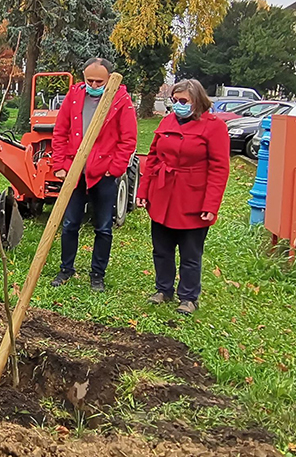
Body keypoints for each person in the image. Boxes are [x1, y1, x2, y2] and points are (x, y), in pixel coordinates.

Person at [136, 78, 230, 315]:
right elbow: (154, 157)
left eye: (183, 101)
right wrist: (143, 191)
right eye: (175, 100)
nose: (178, 105)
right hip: (163, 192)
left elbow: (220, 168)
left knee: (190, 252)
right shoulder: (168, 121)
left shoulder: (214, 126)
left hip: (193, 197)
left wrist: (211, 204)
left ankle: (188, 297)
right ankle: (163, 289)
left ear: (197, 101)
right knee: (162, 249)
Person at [50, 57, 138, 292]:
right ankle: (66, 269)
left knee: (103, 227)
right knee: (69, 224)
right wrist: (60, 164)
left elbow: (128, 139)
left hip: (104, 174)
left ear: (110, 79)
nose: (94, 84)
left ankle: (97, 274)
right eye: (89, 80)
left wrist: (115, 169)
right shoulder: (74, 96)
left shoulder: (121, 101)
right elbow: (60, 131)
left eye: (99, 81)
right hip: (74, 172)